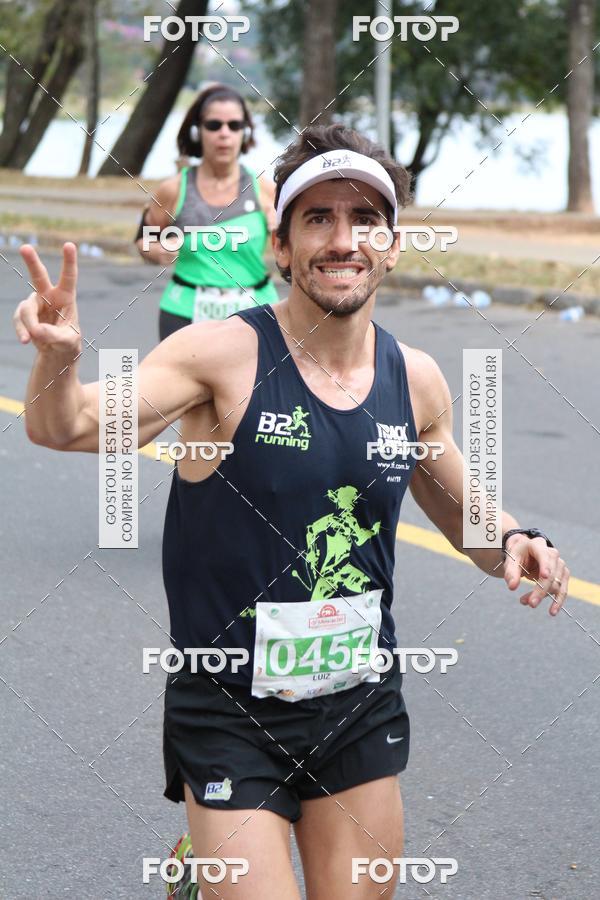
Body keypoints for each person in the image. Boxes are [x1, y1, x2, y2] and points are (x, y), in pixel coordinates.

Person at [14, 124, 570, 899]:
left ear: (392, 246)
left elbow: (467, 520)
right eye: (318, 219)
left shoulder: (416, 380)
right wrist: (58, 359)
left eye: (365, 219)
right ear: (280, 245)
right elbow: (67, 426)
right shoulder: (219, 356)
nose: (343, 240)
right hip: (228, 706)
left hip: (357, 701)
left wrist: (515, 540)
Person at [135, 83, 279, 341]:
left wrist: (283, 230)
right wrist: (154, 251)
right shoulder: (173, 190)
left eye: (234, 125)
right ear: (197, 131)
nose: (224, 134)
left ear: (245, 132)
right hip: (184, 313)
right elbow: (144, 239)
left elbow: (296, 252)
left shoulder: (267, 190)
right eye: (214, 125)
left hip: (255, 314)